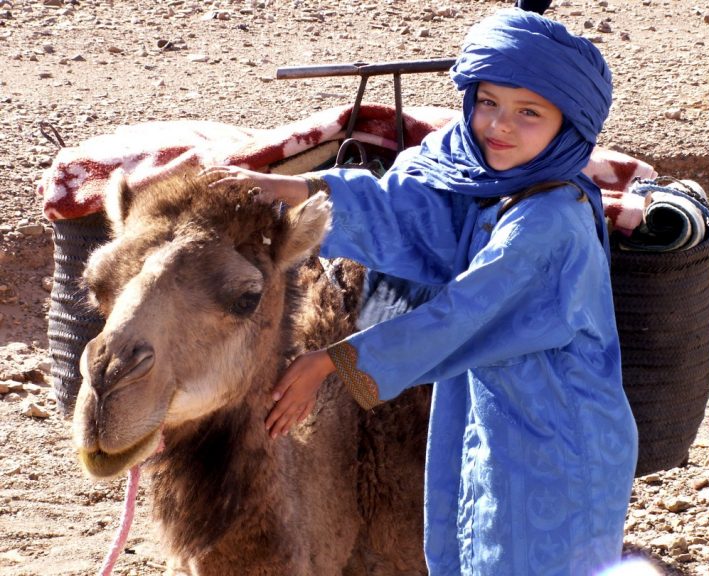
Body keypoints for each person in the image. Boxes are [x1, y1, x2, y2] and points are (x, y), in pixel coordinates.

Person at [206, 8, 638, 575]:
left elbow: (462, 315)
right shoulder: (492, 186)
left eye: (528, 112)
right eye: (488, 102)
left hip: (558, 438)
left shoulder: (549, 222)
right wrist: (297, 187)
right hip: (498, 414)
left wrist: (331, 362)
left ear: (568, 125)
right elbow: (409, 215)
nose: (499, 126)